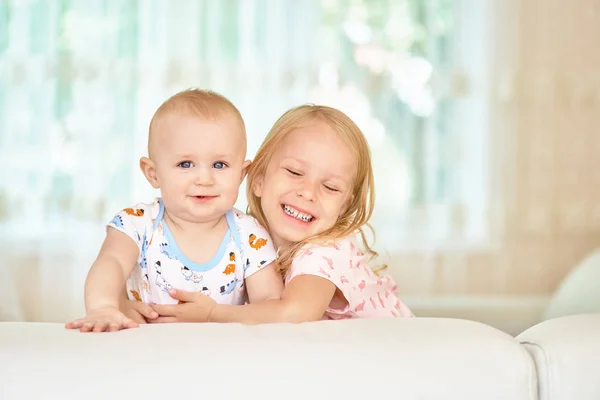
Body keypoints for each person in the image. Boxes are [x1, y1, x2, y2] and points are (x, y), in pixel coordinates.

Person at [143, 104, 413, 324]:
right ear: (258, 178)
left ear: (344, 205)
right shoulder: (250, 236)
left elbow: (295, 313)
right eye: (295, 173)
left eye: (330, 187)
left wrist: (213, 313)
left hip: (394, 353)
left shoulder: (325, 250)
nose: (308, 193)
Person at [65, 89, 283, 332]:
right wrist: (107, 307)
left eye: (219, 165)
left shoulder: (249, 235)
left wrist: (217, 316)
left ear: (242, 174)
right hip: (148, 352)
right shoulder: (138, 223)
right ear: (153, 173)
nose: (204, 178)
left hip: (222, 354)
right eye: (185, 164)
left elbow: (270, 303)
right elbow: (111, 262)